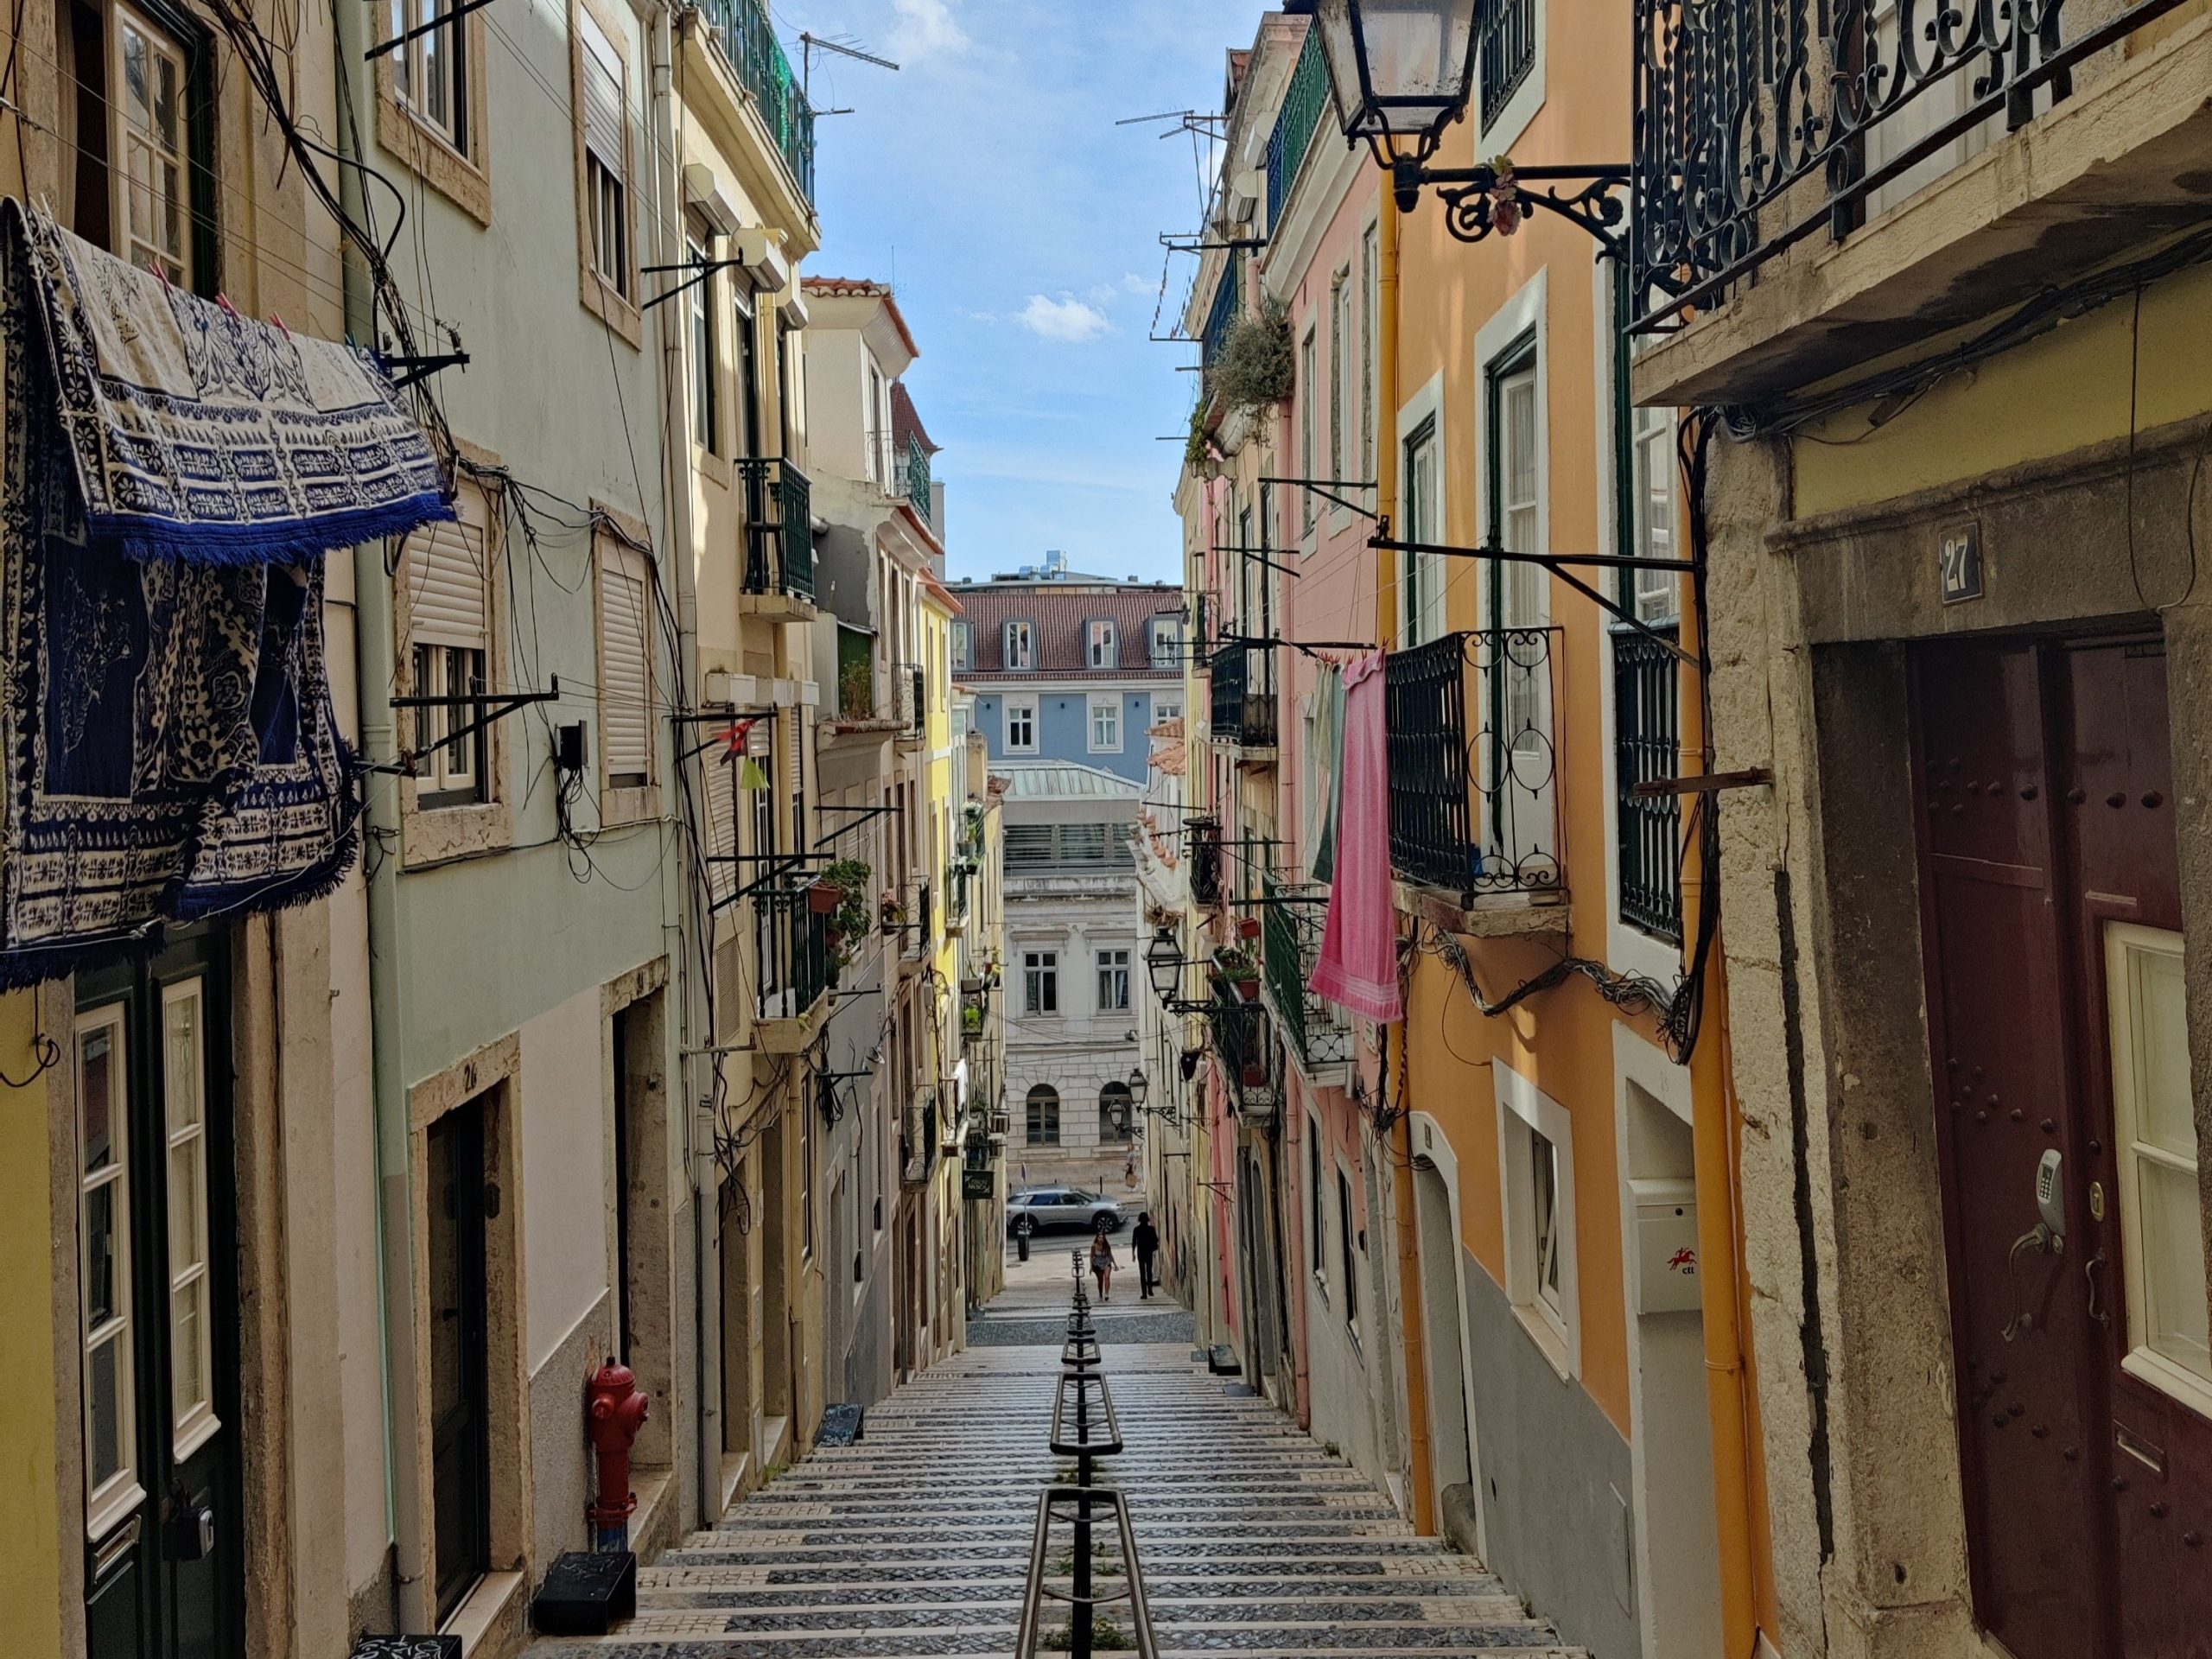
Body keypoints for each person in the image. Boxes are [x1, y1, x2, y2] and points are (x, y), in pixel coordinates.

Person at [1133, 1211, 1160, 1299]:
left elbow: (1134, 1243)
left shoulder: (1136, 1230)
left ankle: (1144, 1293)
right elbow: (1156, 1239)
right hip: (1149, 1252)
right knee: (1149, 1271)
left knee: (1142, 1273)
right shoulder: (1151, 1229)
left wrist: (1133, 1253)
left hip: (1141, 1253)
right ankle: (1150, 1290)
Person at [1089, 1222, 1118, 1302]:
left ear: (1104, 1238)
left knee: (1107, 1277)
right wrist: (1091, 1267)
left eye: (1102, 1238)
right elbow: (1091, 1256)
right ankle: (1100, 1293)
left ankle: (1107, 1293)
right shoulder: (1094, 1246)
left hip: (1106, 1262)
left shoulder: (1107, 1246)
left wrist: (1115, 1264)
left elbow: (1110, 1255)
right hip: (1097, 1264)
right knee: (1100, 1279)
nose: (1101, 1239)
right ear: (1097, 1238)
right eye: (1099, 1238)